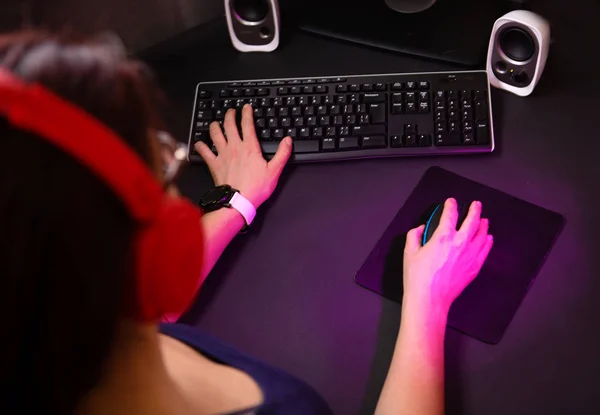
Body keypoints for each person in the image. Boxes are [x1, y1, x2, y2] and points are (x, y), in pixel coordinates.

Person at [1, 30, 492, 415]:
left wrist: (235, 203)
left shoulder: (58, 347)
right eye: (166, 168)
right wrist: (429, 303)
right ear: (154, 251)